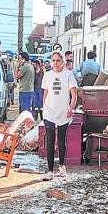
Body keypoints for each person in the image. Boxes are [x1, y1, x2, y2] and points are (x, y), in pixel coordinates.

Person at [39, 51, 79, 181]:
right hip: (49, 111)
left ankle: (61, 165)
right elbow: (46, 93)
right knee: (50, 140)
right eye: (53, 60)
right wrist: (44, 107)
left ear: (62, 62)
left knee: (61, 140)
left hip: (63, 112)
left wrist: (71, 108)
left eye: (58, 60)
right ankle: (50, 170)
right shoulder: (47, 75)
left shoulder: (68, 75)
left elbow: (74, 94)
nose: (55, 63)